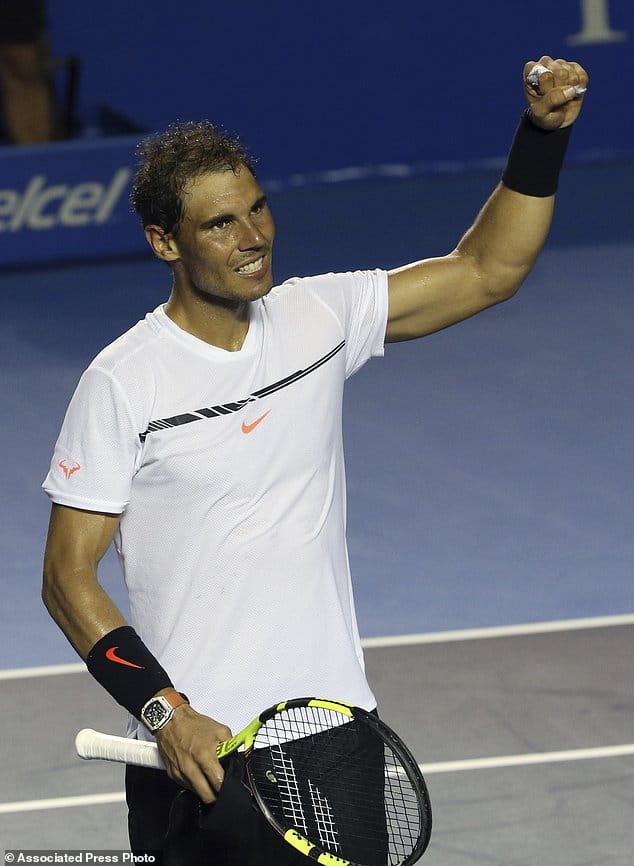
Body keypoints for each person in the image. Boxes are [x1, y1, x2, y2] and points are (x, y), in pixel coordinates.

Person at [42, 55, 588, 864]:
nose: (254, 235)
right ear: (164, 243)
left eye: (257, 208)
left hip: (328, 732)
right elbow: (67, 577)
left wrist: (540, 139)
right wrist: (165, 710)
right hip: (193, 749)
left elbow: (485, 272)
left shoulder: (318, 316)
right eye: (219, 223)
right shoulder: (122, 383)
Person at [0, 0, 57, 144]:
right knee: (32, 89)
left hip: (10, 34)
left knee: (14, 90)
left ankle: (27, 145)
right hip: (23, 36)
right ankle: (37, 147)